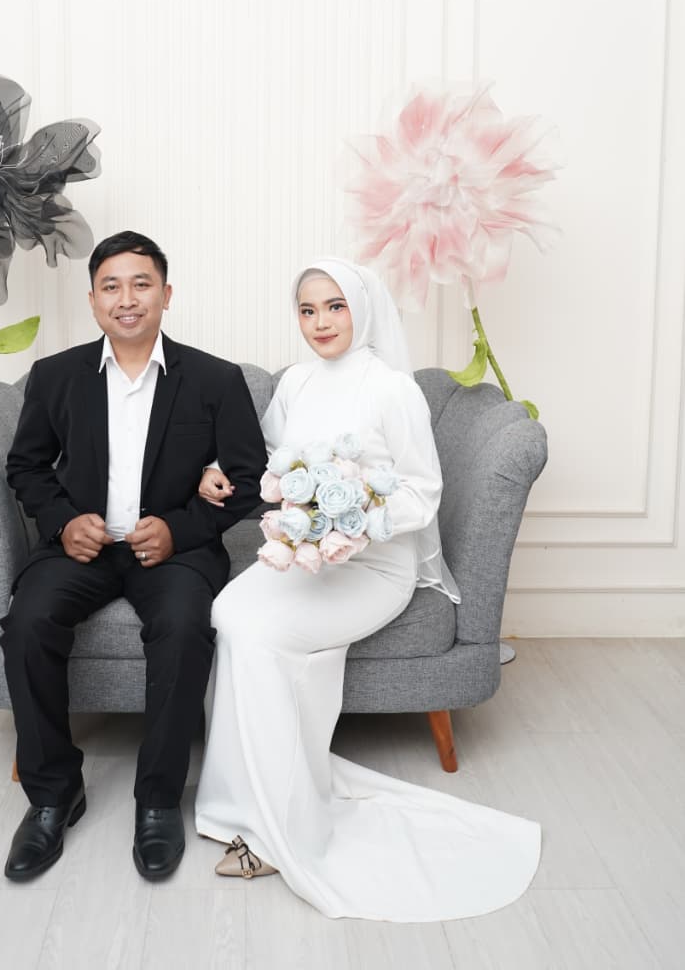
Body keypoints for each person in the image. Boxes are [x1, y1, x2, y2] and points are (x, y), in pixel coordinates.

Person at [194, 257, 541, 922]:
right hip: (308, 557)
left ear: (361, 308)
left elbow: (422, 491)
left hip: (373, 567)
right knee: (229, 610)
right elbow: (264, 458)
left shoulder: (391, 390)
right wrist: (222, 472)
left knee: (260, 634)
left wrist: (356, 517)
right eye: (307, 310)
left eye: (334, 307)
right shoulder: (296, 382)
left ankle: (278, 829)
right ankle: (240, 802)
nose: (319, 322)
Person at [0, 230, 266, 883]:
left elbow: (249, 478)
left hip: (174, 550)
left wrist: (180, 528)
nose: (127, 299)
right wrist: (63, 523)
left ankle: (158, 801)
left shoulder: (215, 378)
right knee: (27, 623)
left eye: (141, 284)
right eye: (111, 286)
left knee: (183, 626)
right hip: (81, 547)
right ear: (92, 299)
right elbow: (26, 467)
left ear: (166, 295)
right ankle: (53, 794)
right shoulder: (56, 376)